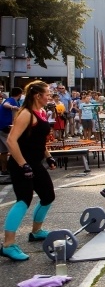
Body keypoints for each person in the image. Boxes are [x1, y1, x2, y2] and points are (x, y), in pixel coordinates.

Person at [1, 81, 58, 261]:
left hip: (35, 162)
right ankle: (8, 245)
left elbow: (37, 141)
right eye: (47, 94)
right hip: (21, 164)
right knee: (23, 200)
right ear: (37, 95)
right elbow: (11, 141)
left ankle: (36, 231)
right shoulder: (25, 114)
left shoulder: (39, 113)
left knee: (48, 196)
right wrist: (22, 164)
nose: (49, 96)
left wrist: (48, 156)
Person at [0, 87, 23, 177]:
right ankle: (15, 168)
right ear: (20, 94)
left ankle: (4, 170)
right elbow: (6, 104)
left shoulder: (11, 100)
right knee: (14, 149)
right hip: (6, 128)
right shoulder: (11, 100)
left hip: (1, 128)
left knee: (3, 151)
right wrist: (13, 107)